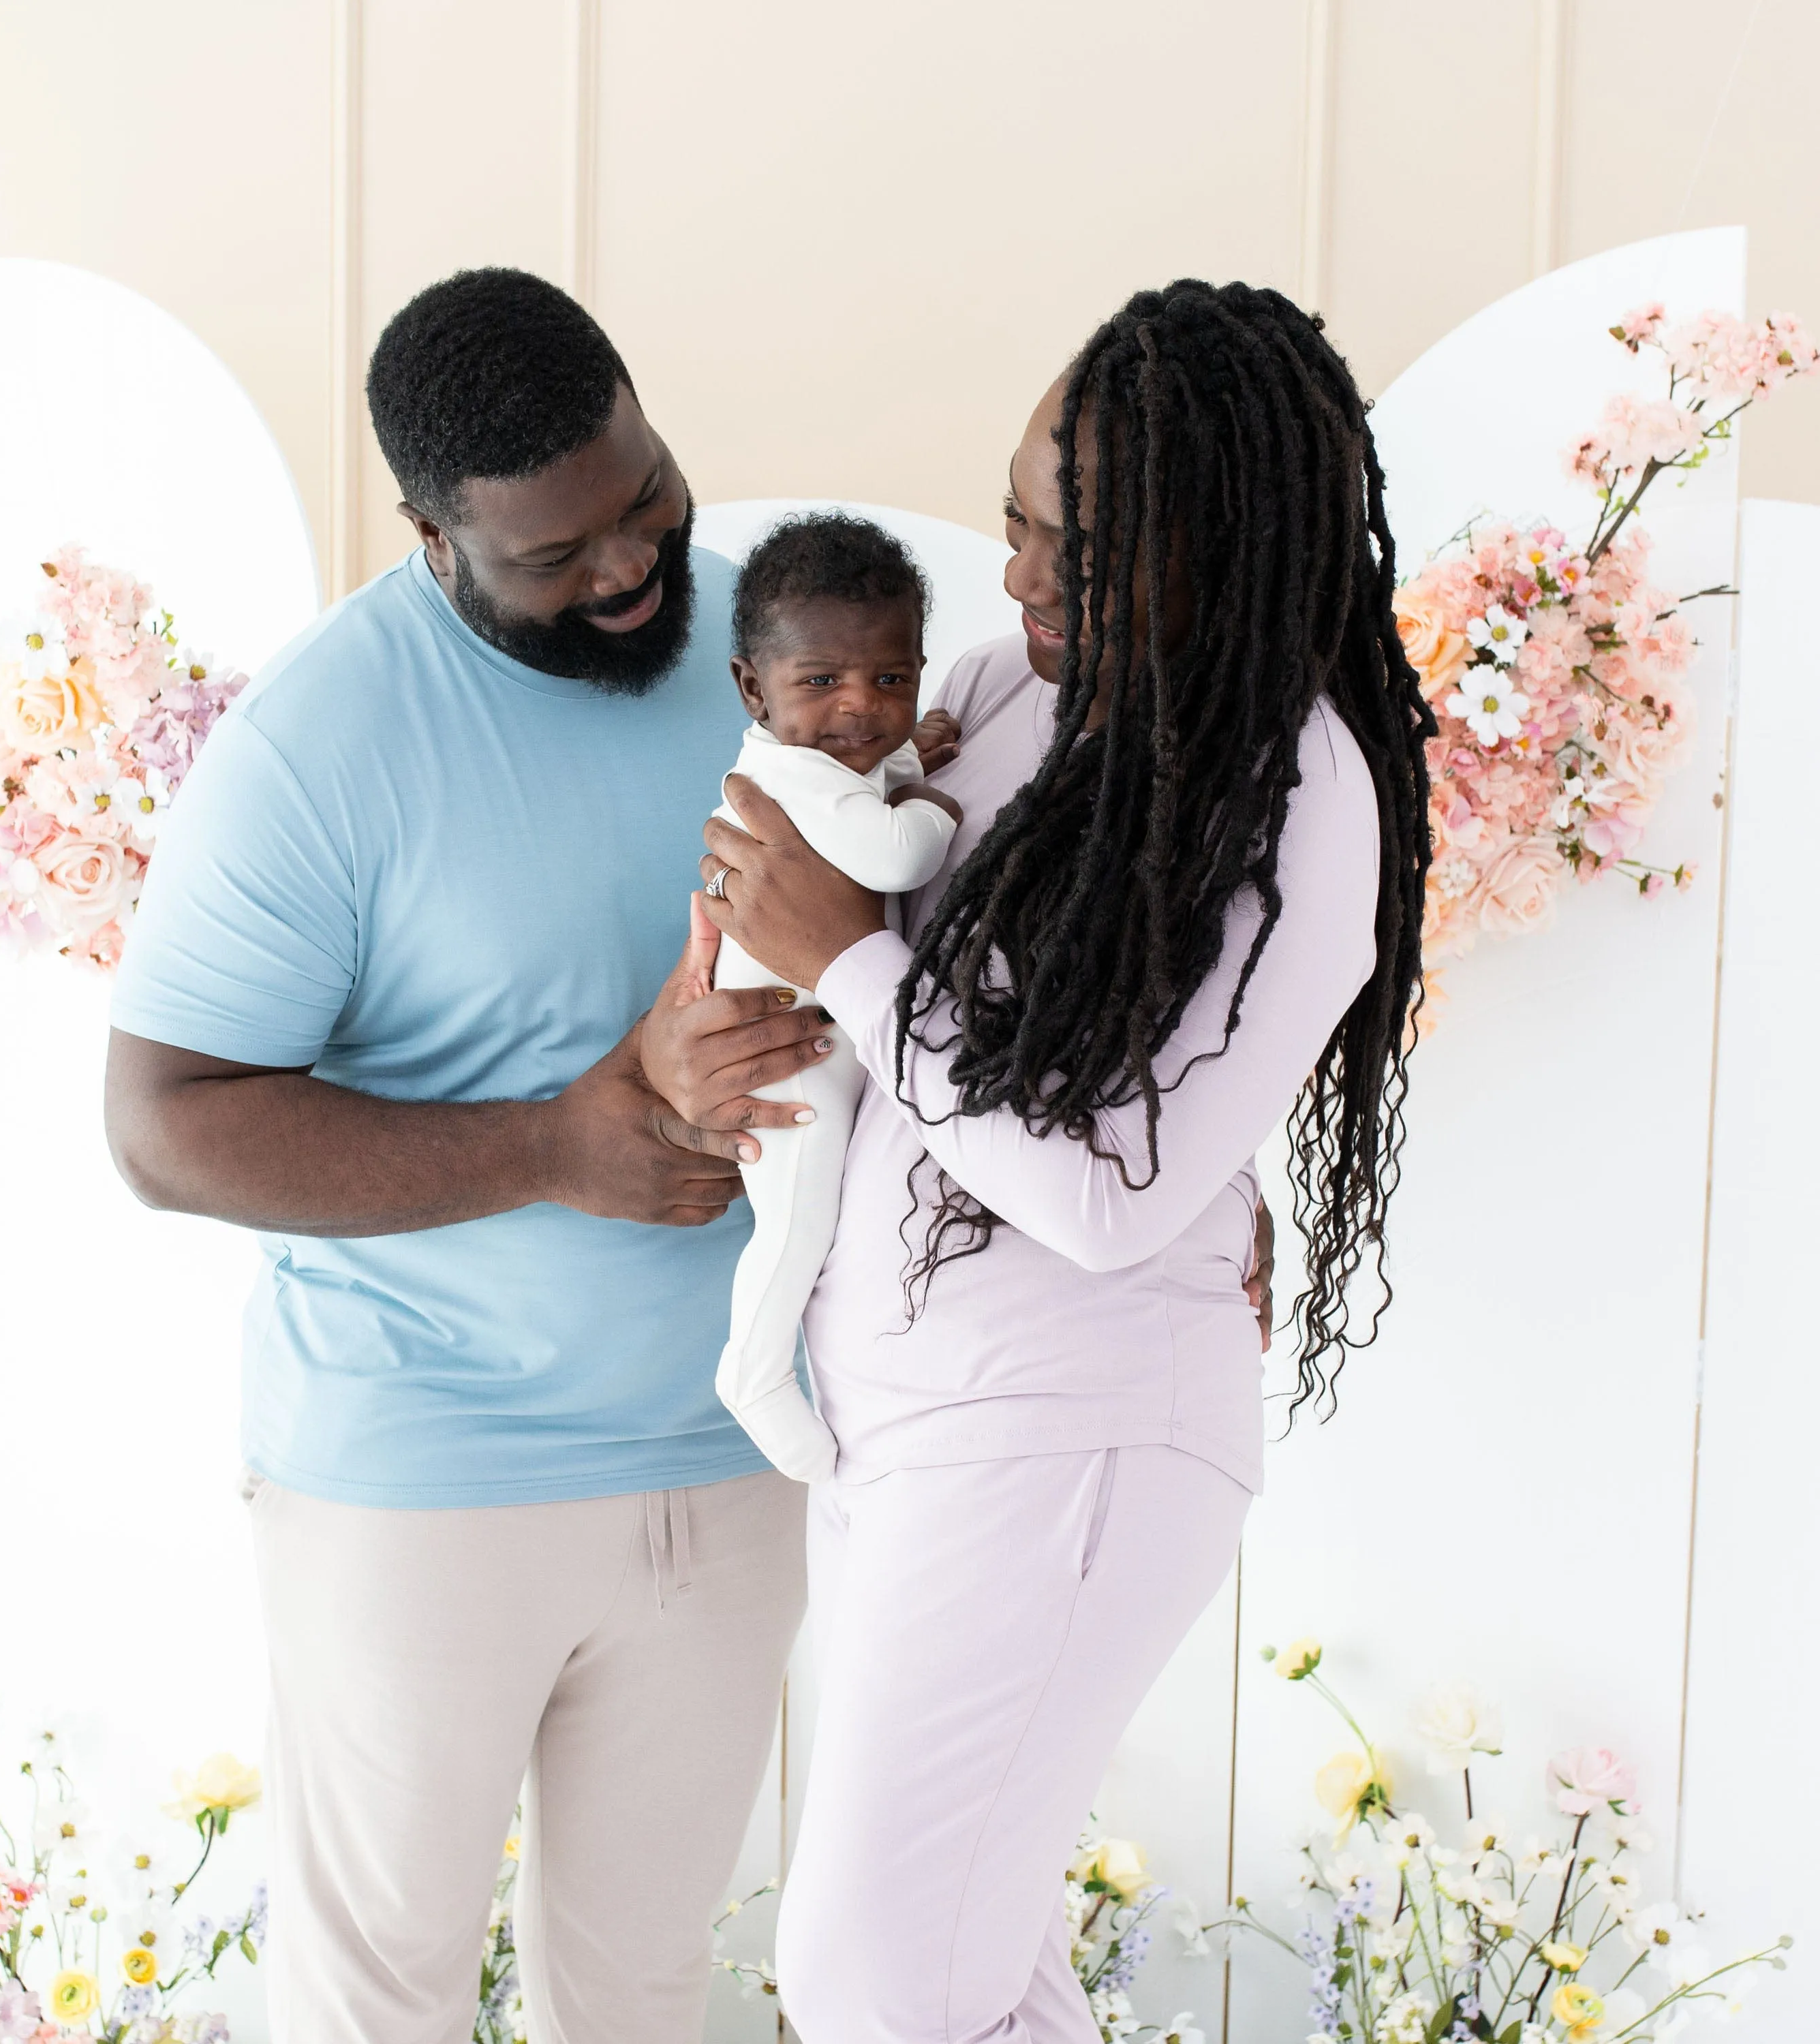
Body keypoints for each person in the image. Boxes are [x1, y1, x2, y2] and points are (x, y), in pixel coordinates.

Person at [653, 279, 1433, 2043]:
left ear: (1210, 552)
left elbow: (1107, 1193)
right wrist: (731, 1007)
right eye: (1013, 526)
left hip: (1065, 1436)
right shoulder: (1006, 692)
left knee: (867, 1980)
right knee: (963, 1982)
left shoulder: (1298, 790)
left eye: (1070, 554)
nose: (1012, 584)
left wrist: (851, 949)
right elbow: (896, 995)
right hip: (905, 1407)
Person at [102, 267, 842, 2044]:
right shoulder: (321, 747)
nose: (625, 571)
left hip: (736, 1458)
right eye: (556, 555)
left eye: (644, 500)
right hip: (417, 1486)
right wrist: (557, 1145)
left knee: (650, 1994)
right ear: (435, 539)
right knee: (380, 2006)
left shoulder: (781, 660)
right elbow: (161, 1124)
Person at [707, 512, 961, 1482]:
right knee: (799, 1220)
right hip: (787, 1058)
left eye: (891, 680)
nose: (859, 707)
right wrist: (933, 804)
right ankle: (755, 1374)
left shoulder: (833, 755)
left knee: (833, 1222)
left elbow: (882, 768)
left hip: (831, 1044)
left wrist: (912, 756)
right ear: (752, 686)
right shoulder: (789, 777)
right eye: (820, 682)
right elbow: (889, 848)